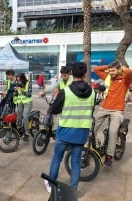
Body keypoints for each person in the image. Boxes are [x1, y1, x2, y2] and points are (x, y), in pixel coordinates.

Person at [44, 62, 96, 193]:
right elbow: (91, 110)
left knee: (57, 157)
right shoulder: (93, 92)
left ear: (72, 73)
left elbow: (54, 110)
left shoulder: (65, 92)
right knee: (76, 162)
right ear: (85, 75)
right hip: (81, 133)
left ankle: (51, 185)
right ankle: (73, 189)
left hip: (65, 132)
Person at [93, 61, 132, 167]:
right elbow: (96, 69)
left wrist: (122, 68)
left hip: (117, 110)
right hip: (104, 107)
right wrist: (109, 67)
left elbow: (129, 73)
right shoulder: (108, 76)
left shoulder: (125, 79)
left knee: (113, 131)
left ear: (119, 70)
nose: (111, 73)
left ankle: (109, 156)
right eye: (110, 71)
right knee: (92, 128)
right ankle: (92, 148)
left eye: (113, 70)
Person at [15, 73, 33, 141]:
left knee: (25, 116)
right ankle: (19, 130)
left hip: (28, 103)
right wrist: (16, 91)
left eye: (20, 80)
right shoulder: (18, 84)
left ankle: (26, 133)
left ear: (23, 79)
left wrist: (22, 90)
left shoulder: (29, 83)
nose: (19, 82)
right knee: (19, 117)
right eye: (18, 80)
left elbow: (29, 94)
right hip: (20, 103)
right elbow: (17, 94)